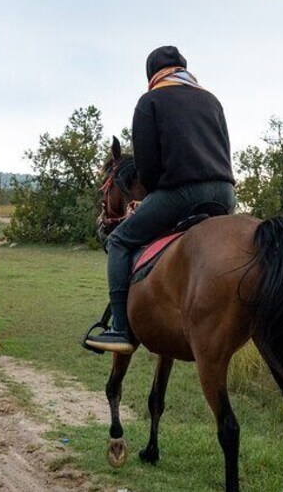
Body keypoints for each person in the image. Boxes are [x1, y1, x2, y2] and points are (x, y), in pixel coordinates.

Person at [84, 46, 237, 354]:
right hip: (225, 195)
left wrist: (153, 195)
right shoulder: (212, 100)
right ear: (182, 68)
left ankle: (120, 330)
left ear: (152, 74)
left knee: (119, 242)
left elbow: (148, 165)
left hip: (180, 194)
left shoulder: (150, 100)